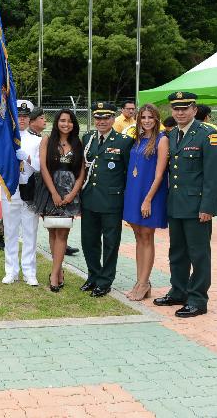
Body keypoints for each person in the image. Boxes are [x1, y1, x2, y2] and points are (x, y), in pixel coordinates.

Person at [153, 91, 217, 318]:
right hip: (176, 204)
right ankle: (178, 291)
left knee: (199, 254)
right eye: (176, 109)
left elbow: (213, 176)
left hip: (197, 207)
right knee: (177, 252)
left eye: (185, 108)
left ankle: (198, 299)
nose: (180, 112)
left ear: (194, 109)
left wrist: (208, 207)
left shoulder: (207, 135)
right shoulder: (172, 135)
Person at [79, 102, 134, 298]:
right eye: (98, 118)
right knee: (89, 241)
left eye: (106, 117)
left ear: (113, 119)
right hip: (89, 199)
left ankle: (105, 280)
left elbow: (128, 173)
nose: (101, 121)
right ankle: (93, 275)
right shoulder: (87, 139)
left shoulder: (124, 141)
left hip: (112, 201)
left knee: (111, 243)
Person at [31, 109, 84, 292]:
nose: (66, 124)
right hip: (49, 191)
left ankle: (54, 275)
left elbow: (81, 172)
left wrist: (72, 194)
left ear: (73, 124)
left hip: (70, 192)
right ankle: (58, 269)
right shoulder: (47, 140)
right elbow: (44, 167)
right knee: (53, 232)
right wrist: (53, 192)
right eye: (62, 120)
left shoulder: (78, 142)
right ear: (57, 122)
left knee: (62, 233)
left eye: (69, 121)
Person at [122, 103, 169, 301]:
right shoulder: (137, 139)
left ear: (156, 119)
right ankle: (141, 281)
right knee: (138, 237)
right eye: (143, 117)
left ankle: (144, 282)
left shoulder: (162, 139)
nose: (147, 121)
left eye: (151, 117)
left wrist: (148, 199)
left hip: (151, 194)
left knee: (147, 237)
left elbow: (159, 174)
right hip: (134, 191)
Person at [1, 100, 41, 286]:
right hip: (10, 188)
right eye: (18, 116)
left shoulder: (37, 140)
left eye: (25, 116)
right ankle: (11, 270)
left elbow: (41, 167)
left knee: (30, 231)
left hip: (30, 188)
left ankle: (29, 271)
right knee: (10, 231)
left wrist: (29, 158)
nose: (22, 119)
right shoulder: (6, 139)